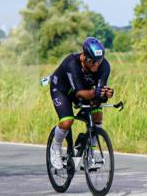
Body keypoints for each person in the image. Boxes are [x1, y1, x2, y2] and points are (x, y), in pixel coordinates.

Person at [48, 37, 114, 170]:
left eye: (99, 61)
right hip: (62, 90)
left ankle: (89, 152)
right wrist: (97, 93)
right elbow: (79, 93)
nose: (96, 65)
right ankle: (55, 148)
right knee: (67, 121)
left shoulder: (104, 66)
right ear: (83, 56)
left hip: (83, 91)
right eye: (92, 61)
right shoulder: (72, 63)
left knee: (97, 116)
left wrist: (105, 94)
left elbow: (98, 91)